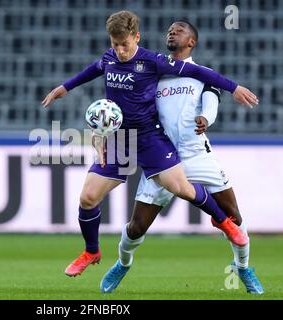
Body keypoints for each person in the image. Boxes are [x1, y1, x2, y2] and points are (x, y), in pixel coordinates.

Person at [41, 10, 258, 278]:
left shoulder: (153, 62)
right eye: (115, 44)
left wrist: (234, 88)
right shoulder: (109, 59)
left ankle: (226, 224)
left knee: (181, 187)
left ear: (137, 37)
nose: (120, 50)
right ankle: (91, 251)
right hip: (121, 139)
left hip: (149, 137)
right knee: (88, 198)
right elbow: (91, 70)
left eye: (125, 44)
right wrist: (64, 88)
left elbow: (197, 71)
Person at [100, 20, 264, 294]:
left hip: (197, 155)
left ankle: (244, 268)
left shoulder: (202, 74)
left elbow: (212, 100)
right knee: (137, 226)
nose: (172, 32)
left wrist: (205, 118)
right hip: (162, 156)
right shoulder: (155, 72)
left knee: (233, 216)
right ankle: (122, 263)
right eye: (169, 30)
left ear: (192, 41)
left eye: (180, 30)